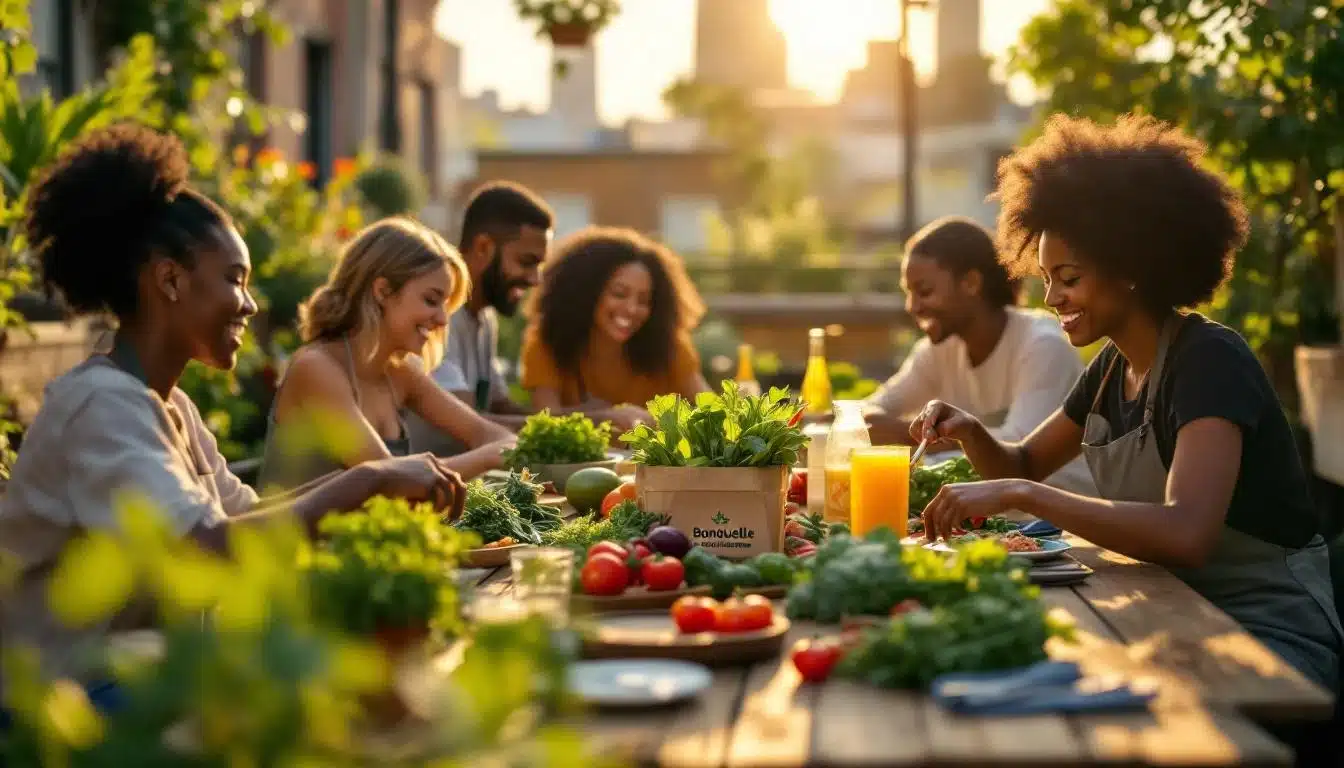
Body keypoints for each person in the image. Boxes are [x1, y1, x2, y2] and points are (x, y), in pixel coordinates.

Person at [0, 124, 464, 700]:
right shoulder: (101, 407)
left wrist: (377, 492)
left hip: (138, 681)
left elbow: (252, 519)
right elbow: (209, 548)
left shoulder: (170, 406)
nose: (249, 303)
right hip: (63, 705)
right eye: (234, 279)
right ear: (169, 279)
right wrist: (368, 479)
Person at [914, 114, 1341, 694]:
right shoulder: (1111, 369)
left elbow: (1187, 533)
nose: (1052, 296)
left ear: (1132, 269)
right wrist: (970, 432)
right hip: (1181, 617)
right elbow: (1020, 464)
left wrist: (1022, 494)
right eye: (1045, 277)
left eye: (1068, 276)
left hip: (1271, 637)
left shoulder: (1210, 361)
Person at [257, 217, 516, 491]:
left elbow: (488, 433)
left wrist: (497, 446)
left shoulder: (400, 371)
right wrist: (489, 456)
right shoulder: (316, 368)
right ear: (382, 291)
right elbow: (389, 480)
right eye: (431, 300)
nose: (442, 319)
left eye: (445, 305)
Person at [410, 182, 652, 455]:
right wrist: (592, 421)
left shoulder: (485, 318)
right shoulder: (440, 318)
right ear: (483, 247)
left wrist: (581, 414)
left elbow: (499, 405)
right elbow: (472, 423)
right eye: (526, 262)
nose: (535, 279)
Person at [864, 216, 1095, 495]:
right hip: (988, 515)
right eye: (908, 294)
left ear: (971, 283)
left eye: (924, 291)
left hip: (1058, 524)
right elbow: (866, 416)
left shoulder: (1042, 346)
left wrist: (916, 436)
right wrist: (920, 434)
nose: (912, 307)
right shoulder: (937, 352)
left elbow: (1014, 456)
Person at [519, 227, 710, 411]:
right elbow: (546, 419)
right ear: (585, 292)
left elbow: (712, 409)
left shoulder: (669, 345)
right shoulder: (546, 343)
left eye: (644, 300)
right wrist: (608, 417)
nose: (631, 309)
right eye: (619, 294)